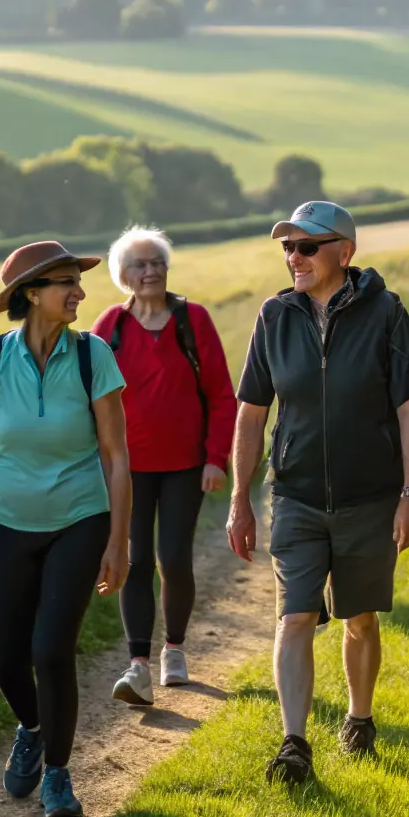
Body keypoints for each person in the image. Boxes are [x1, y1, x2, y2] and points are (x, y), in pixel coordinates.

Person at [227, 201, 409, 785]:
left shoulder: (387, 313)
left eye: (307, 247)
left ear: (344, 251)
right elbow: (251, 414)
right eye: (287, 247)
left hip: (370, 496)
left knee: (360, 619)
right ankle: (294, 743)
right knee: (295, 616)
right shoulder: (274, 316)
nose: (294, 258)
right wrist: (241, 497)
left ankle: (359, 718)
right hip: (295, 495)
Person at [0, 240, 131, 817]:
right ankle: (31, 725)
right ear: (31, 293)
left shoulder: (91, 355)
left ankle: (58, 775)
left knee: (51, 651)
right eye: (65, 283)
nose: (78, 292)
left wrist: (118, 541)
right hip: (4, 519)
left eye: (78, 281)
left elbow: (116, 455)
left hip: (79, 517)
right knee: (7, 658)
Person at [92, 227, 236, 706]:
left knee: (172, 558)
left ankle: (173, 649)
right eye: (141, 264)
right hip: (125, 470)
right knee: (134, 562)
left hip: (185, 466)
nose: (151, 270)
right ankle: (138, 666)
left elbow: (221, 395)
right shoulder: (109, 327)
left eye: (158, 262)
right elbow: (86, 399)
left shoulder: (192, 320)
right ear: (124, 276)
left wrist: (216, 458)